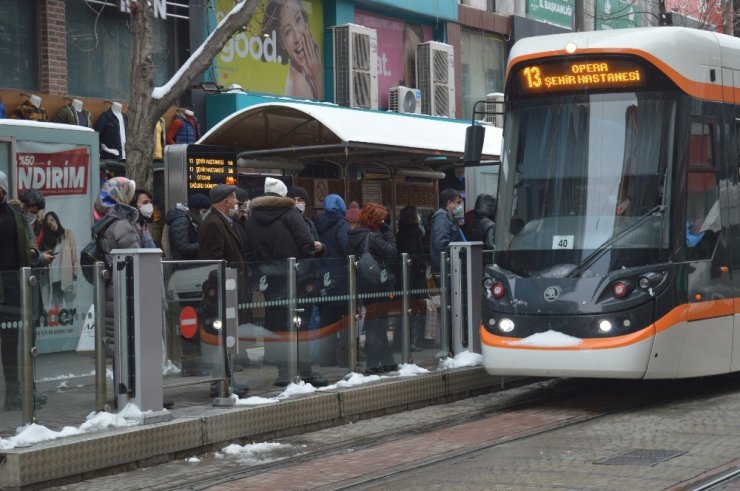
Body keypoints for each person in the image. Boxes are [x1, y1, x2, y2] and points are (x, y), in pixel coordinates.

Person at [244, 177, 325, 387]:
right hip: (295, 278)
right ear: (283, 195)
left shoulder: (252, 218)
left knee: (277, 326)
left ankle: (283, 373)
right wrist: (318, 249)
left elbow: (249, 251)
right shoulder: (290, 214)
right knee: (301, 325)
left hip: (269, 280)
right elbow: (306, 244)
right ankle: (304, 371)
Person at [0, 171, 49, 410]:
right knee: (11, 343)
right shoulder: (16, 216)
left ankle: (19, 392)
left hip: (19, 289)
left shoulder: (16, 216)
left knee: (19, 342)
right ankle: (15, 393)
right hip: (10, 288)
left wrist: (34, 255)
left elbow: (28, 248)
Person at [348, 202, 398, 373]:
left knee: (374, 322)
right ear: (377, 220)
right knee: (378, 324)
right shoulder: (374, 237)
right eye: (382, 219)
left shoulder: (356, 235)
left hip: (364, 283)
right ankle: (374, 363)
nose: (384, 221)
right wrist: (388, 231)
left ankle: (386, 360)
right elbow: (392, 251)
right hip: (378, 284)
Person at [93, 177, 141, 356]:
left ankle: (119, 382)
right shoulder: (122, 224)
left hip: (110, 289)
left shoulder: (105, 218)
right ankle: (126, 384)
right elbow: (136, 261)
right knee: (126, 344)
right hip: (124, 291)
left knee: (114, 340)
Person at [314, 194, 350, 365]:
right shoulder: (342, 223)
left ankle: (325, 358)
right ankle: (345, 357)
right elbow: (345, 246)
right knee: (346, 319)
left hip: (323, 276)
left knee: (326, 320)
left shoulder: (317, 223)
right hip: (341, 276)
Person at [262, 0, 324, 100]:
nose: (297, 38)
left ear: (305, 22)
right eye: (288, 31)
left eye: (298, 19)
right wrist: (318, 77)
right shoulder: (298, 83)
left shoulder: (306, 73)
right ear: (281, 42)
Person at [396, 205, 426, 351]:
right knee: (414, 307)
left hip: (403, 274)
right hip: (414, 274)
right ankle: (410, 341)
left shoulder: (400, 232)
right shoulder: (415, 233)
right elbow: (416, 252)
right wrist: (422, 264)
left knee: (404, 308)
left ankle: (399, 339)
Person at [38, 211, 77, 306]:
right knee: (56, 309)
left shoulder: (68, 234)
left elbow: (74, 256)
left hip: (67, 278)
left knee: (69, 308)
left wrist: (75, 274)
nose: (51, 223)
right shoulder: (47, 240)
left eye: (52, 219)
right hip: (54, 279)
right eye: (48, 223)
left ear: (56, 219)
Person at [429, 188, 465, 274]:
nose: (459, 206)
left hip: (450, 267)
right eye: (457, 203)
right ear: (449, 203)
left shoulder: (449, 218)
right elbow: (441, 246)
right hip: (446, 269)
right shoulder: (442, 218)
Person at [165, 194, 210, 260]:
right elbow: (183, 248)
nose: (205, 215)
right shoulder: (181, 220)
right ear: (195, 210)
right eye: (204, 211)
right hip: (184, 266)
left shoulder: (192, 219)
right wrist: (206, 244)